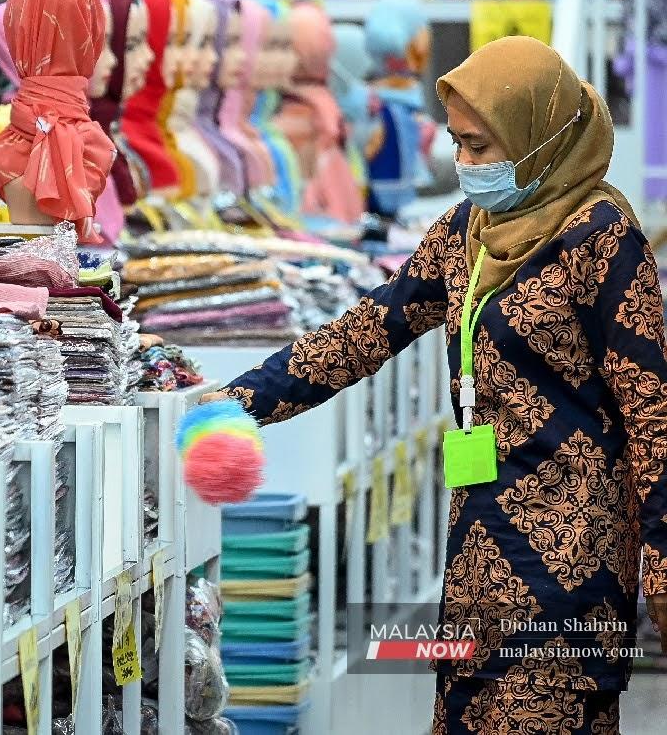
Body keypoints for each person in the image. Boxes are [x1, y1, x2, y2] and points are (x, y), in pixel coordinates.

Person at [203, 36, 667, 734]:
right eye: (458, 143)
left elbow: (652, 413)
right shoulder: (467, 233)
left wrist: (660, 562)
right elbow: (367, 330)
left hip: (570, 566)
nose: (466, 164)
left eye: (482, 146)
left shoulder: (603, 237)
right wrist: (235, 403)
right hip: (478, 557)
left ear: (538, 136)